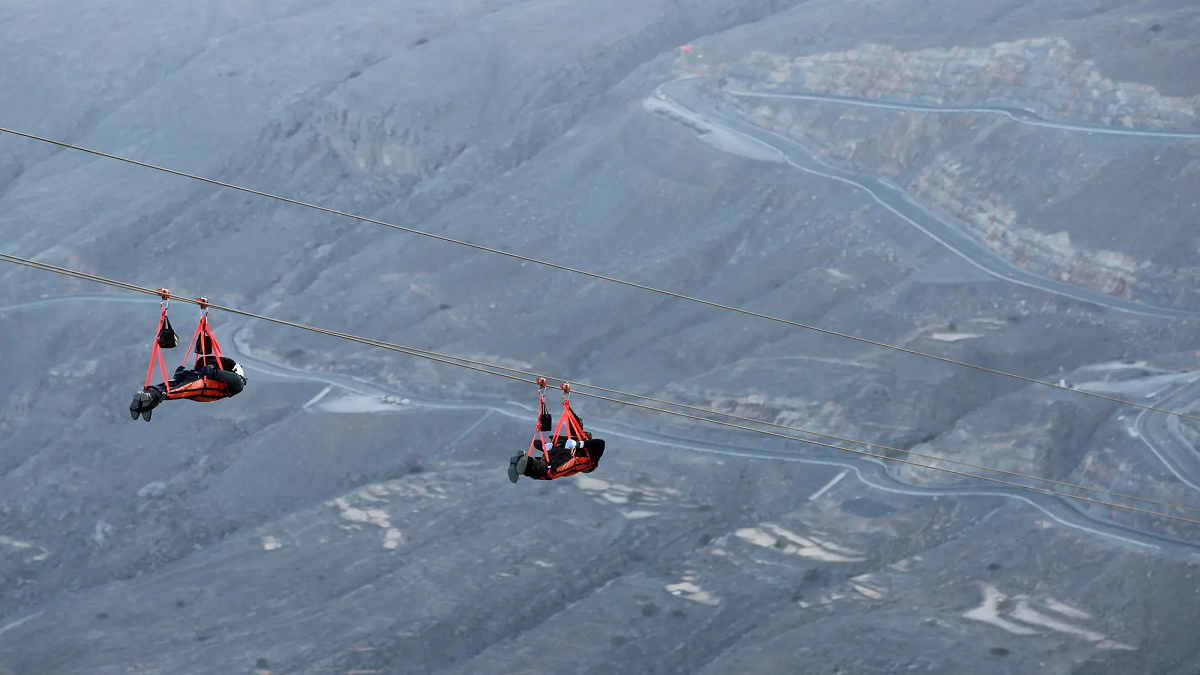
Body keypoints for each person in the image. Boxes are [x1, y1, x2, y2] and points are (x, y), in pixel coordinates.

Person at [130, 335, 247, 421]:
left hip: (196, 379)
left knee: (174, 387)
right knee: (175, 390)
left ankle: (149, 396)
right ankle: (150, 396)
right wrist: (213, 373)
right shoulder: (231, 386)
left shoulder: (233, 384)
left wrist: (213, 373)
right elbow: (235, 378)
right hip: (200, 383)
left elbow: (234, 378)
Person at [508, 406, 605, 482]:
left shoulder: (573, 442)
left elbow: (536, 442)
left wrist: (544, 446)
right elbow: (600, 443)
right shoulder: (591, 457)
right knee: (549, 471)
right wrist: (579, 444)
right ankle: (525, 463)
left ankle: (524, 463)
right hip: (567, 455)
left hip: (557, 454)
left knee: (545, 467)